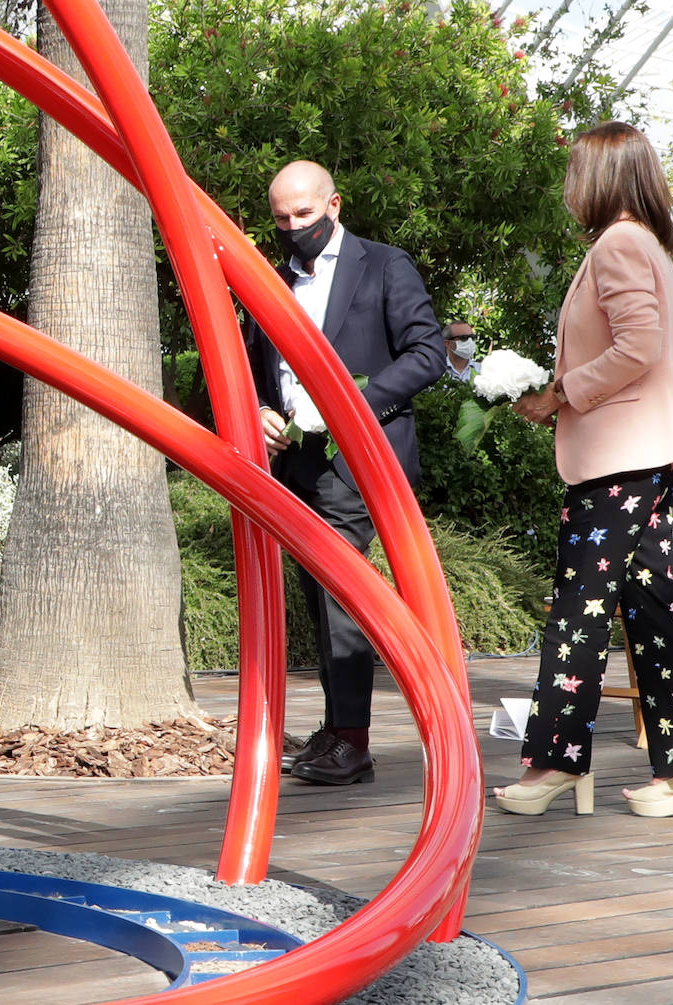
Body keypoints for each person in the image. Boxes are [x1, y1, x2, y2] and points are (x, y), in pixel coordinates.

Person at [498, 121, 673, 819]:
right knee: (652, 604)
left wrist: (560, 393)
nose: (569, 187)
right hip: (647, 450)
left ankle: (554, 762)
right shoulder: (643, 241)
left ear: (598, 179)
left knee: (579, 609)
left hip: (622, 455)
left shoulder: (620, 243)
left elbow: (640, 346)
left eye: (575, 173)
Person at [244, 160, 446, 785]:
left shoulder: (384, 265)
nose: (291, 227)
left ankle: (353, 739)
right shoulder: (267, 280)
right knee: (317, 594)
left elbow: (428, 353)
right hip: (296, 462)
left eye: (302, 214)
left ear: (333, 205)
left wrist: (349, 402)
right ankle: (336, 726)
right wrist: (261, 411)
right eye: (280, 218)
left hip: (360, 458)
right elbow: (255, 364)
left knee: (342, 594)